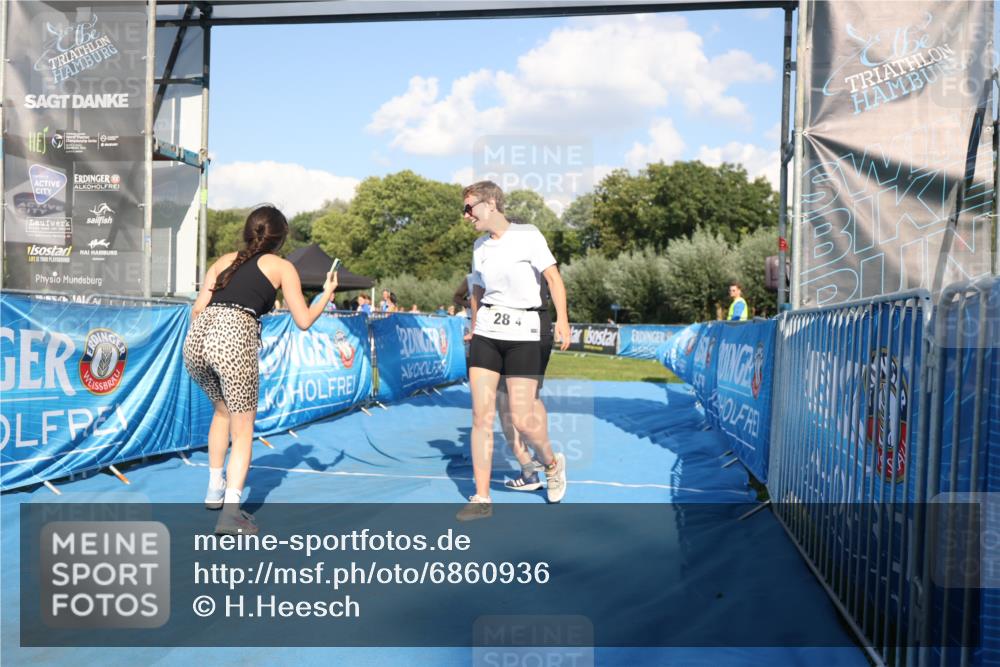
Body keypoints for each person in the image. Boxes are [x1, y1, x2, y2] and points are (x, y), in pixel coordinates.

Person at [183, 205, 337, 535]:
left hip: (197, 341)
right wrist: (326, 294)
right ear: (280, 238)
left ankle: (214, 489)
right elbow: (304, 320)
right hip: (234, 338)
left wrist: (211, 339)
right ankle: (231, 515)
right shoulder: (282, 267)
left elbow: (197, 309)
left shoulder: (224, 260)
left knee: (222, 412)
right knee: (243, 430)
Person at [458, 180, 571, 521]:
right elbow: (477, 290)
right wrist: (475, 326)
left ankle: (551, 462)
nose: (466, 216)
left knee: (522, 416)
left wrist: (563, 320)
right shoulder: (480, 246)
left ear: (490, 204)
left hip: (526, 330)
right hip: (488, 332)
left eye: (469, 208)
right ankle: (481, 497)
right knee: (481, 415)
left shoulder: (529, 235)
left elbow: (553, 278)